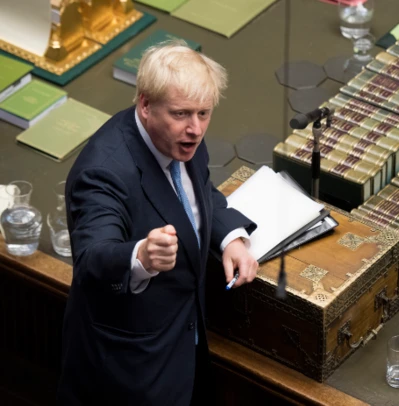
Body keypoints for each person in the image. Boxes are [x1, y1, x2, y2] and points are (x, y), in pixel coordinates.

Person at [57, 41, 259, 405]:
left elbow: (199, 193)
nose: (195, 129)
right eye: (181, 114)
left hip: (186, 351)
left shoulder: (182, 140)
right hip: (130, 374)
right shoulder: (103, 171)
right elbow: (92, 258)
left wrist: (229, 237)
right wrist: (141, 257)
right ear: (145, 104)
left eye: (204, 113)